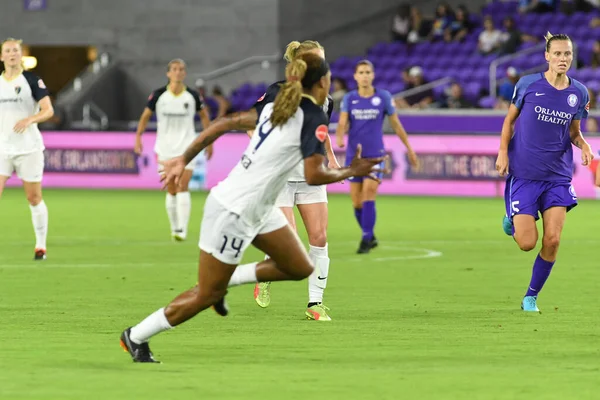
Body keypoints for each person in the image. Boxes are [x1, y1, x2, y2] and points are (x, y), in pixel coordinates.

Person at [119, 52, 386, 363]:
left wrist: (184, 158)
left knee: (300, 266)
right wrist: (350, 171)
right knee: (205, 295)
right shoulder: (312, 117)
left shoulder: (277, 106)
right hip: (234, 209)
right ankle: (137, 335)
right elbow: (314, 174)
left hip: (259, 208)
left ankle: (227, 280)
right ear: (323, 83)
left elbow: (227, 121)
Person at [496, 33, 593, 313]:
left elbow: (574, 133)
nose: (563, 59)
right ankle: (511, 216)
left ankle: (531, 297)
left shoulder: (579, 93)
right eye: (558, 54)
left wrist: (584, 145)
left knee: (552, 240)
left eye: (568, 54)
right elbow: (509, 121)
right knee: (527, 243)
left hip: (557, 177)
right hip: (525, 174)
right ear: (547, 56)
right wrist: (503, 152)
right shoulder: (527, 84)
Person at [251, 40, 340, 322]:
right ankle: (265, 272)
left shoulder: (326, 97)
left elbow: (321, 132)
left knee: (320, 237)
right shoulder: (277, 91)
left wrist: (332, 159)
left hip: (311, 175)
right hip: (280, 176)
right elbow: (255, 125)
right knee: (289, 241)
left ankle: (315, 303)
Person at [336, 60, 419, 254]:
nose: (364, 75)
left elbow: (397, 125)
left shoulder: (383, 97)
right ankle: (370, 235)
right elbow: (342, 122)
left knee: (368, 194)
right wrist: (339, 137)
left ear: (372, 75)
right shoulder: (349, 99)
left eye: (368, 72)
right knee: (356, 202)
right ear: (355, 77)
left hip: (375, 156)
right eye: (361, 72)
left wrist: (410, 149)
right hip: (354, 158)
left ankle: (366, 239)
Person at [134, 59, 213, 241]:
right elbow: (145, 116)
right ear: (168, 73)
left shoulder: (192, 96)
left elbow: (204, 117)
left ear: (185, 73)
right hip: (165, 148)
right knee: (171, 188)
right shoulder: (158, 95)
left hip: (187, 149)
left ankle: (182, 230)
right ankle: (174, 226)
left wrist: (209, 142)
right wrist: (138, 137)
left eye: (181, 69)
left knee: (182, 185)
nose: (178, 72)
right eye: (175, 69)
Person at [0, 38, 54, 260]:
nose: (12, 54)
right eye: (8, 51)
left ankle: (40, 246)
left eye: (16, 50)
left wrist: (30, 119)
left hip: (28, 148)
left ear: (21, 55)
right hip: (2, 148)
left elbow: (48, 110)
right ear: (2, 56)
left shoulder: (32, 80)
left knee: (33, 197)